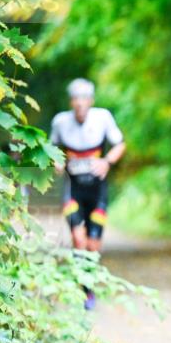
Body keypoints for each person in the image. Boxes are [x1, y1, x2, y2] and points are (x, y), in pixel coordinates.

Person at [50, 78, 126, 310]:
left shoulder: (102, 118)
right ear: (71, 102)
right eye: (76, 99)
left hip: (98, 190)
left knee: (93, 244)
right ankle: (82, 289)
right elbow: (51, 149)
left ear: (91, 101)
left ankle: (89, 285)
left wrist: (106, 161)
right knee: (78, 239)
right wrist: (57, 162)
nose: (80, 104)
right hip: (73, 190)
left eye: (84, 99)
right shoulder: (61, 122)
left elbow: (120, 144)